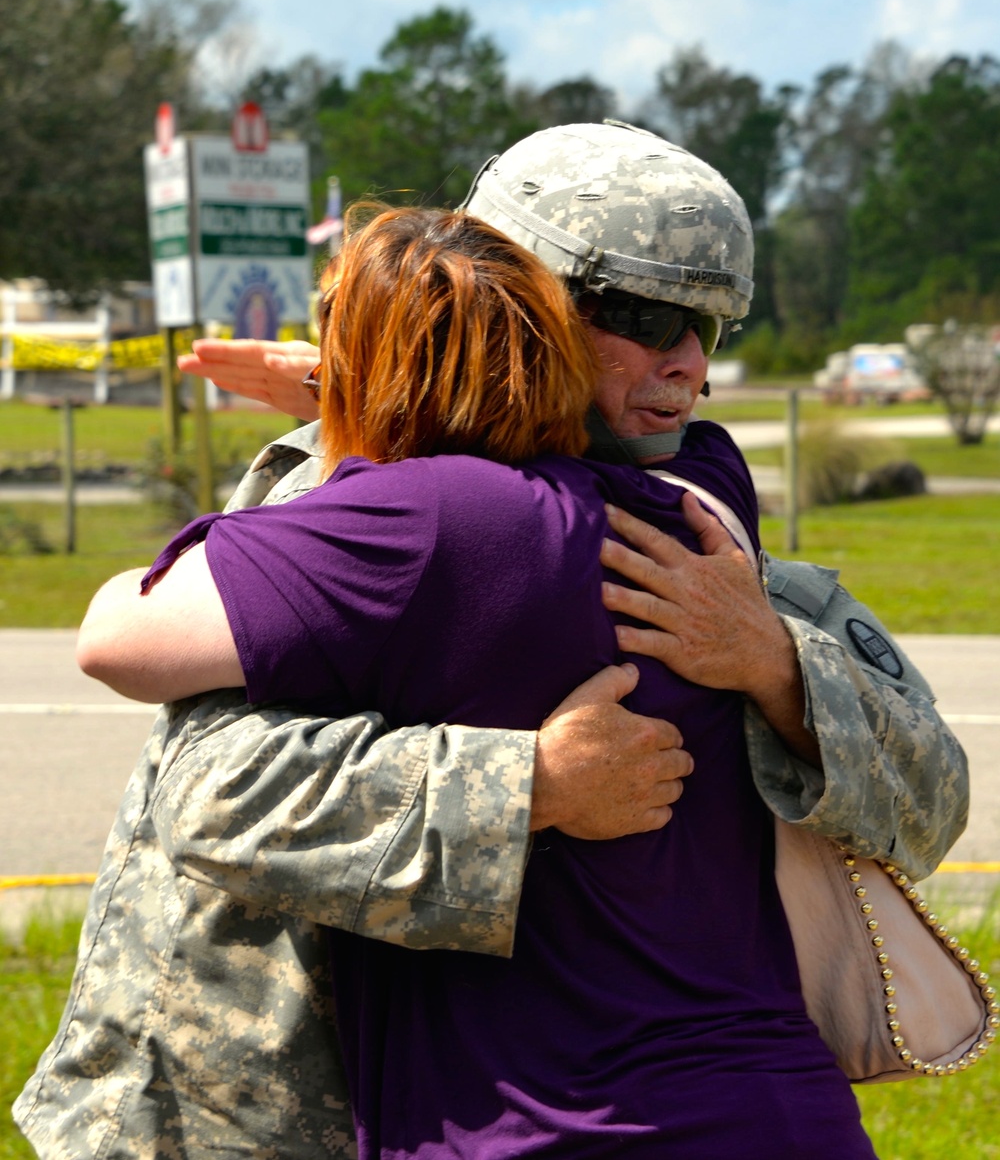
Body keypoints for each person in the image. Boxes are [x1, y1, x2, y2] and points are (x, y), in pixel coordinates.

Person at [14, 125, 966, 1160]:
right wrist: (527, 783)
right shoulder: (359, 499)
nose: (687, 364)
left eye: (709, 328)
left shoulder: (700, 525)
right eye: (645, 316)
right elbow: (216, 792)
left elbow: (931, 802)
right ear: (525, 302)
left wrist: (778, 667)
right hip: (271, 1110)